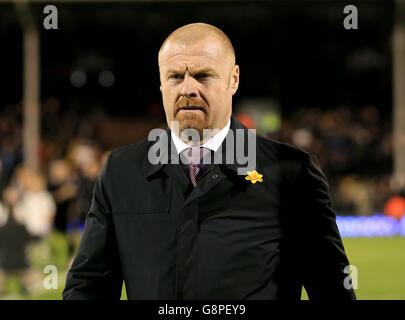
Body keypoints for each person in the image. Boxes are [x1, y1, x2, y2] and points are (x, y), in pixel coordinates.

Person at [63, 23, 356, 300]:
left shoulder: (293, 172)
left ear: (234, 79)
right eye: (175, 76)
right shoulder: (121, 170)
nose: (188, 88)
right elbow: (89, 286)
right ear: (161, 84)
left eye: (203, 76)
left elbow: (333, 290)